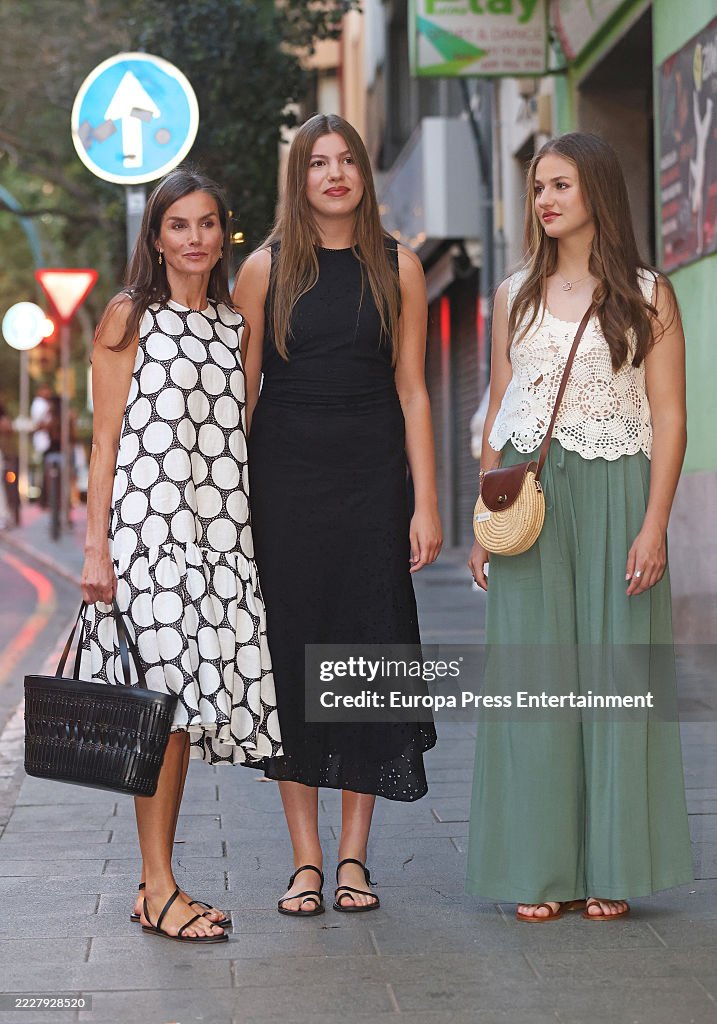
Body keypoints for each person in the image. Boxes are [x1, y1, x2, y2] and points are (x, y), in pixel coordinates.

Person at [467, 132, 693, 921]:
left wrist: (654, 523)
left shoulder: (645, 291)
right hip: (529, 498)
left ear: (596, 191)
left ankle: (612, 864)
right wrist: (482, 515)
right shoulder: (512, 294)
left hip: (616, 491)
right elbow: (499, 410)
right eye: (536, 188)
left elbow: (668, 416)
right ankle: (538, 867)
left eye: (559, 185)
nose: (545, 200)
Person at [234, 113, 441, 916]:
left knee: (367, 660)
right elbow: (240, 395)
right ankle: (306, 859)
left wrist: (426, 503)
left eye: (345, 159)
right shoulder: (263, 269)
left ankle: (354, 857)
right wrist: (229, 507)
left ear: (362, 172)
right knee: (293, 658)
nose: (333, 173)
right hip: (282, 488)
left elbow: (415, 390)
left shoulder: (401, 265)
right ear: (300, 177)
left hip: (371, 486)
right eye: (317, 162)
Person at [80, 167, 282, 943]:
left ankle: (153, 883)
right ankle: (160, 887)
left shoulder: (234, 327)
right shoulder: (129, 316)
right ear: (156, 237)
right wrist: (98, 550)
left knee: (185, 719)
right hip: (148, 538)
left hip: (220, 537)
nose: (194, 239)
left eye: (206, 225)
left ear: (221, 234)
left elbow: (233, 438)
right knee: (160, 712)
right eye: (178, 226)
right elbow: (105, 443)